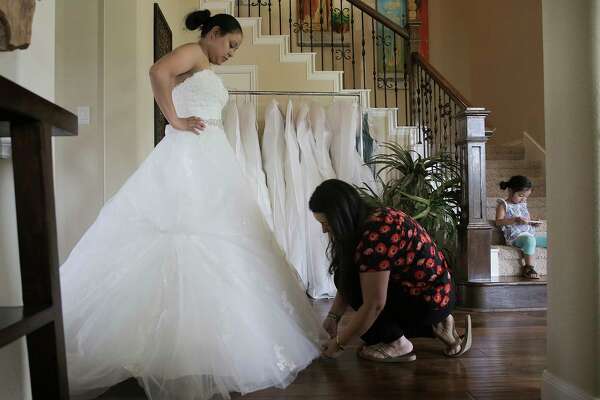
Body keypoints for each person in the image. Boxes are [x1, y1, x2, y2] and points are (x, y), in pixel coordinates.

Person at [60, 10, 324, 400]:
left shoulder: (202, 63)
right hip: (190, 153)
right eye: (231, 44)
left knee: (217, 238)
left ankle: (201, 344)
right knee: (183, 234)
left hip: (209, 154)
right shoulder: (193, 53)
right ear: (213, 33)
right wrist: (175, 120)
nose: (231, 53)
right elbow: (157, 72)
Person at [309, 179, 472, 362]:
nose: (324, 230)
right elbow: (348, 276)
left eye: (326, 223)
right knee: (345, 277)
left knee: (361, 300)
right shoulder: (371, 218)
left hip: (430, 299)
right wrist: (333, 317)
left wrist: (339, 344)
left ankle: (398, 345)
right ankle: (438, 324)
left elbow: (374, 304)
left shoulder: (376, 233)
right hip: (435, 293)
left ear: (341, 216)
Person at [495, 175, 547, 279]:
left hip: (529, 235)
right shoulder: (503, 205)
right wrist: (514, 219)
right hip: (515, 237)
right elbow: (498, 222)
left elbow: (526, 220)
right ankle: (528, 268)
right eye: (521, 195)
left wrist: (533, 222)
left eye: (526, 197)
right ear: (510, 190)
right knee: (530, 240)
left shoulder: (523, 204)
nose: (523, 199)